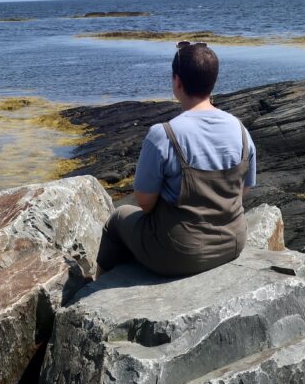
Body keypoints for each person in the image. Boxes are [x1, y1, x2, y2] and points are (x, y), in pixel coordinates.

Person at [95, 41, 257, 277]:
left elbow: (144, 202)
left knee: (117, 219)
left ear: (177, 82)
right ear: (213, 82)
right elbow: (245, 189)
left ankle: (96, 291)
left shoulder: (164, 135)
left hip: (181, 252)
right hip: (233, 242)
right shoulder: (240, 130)